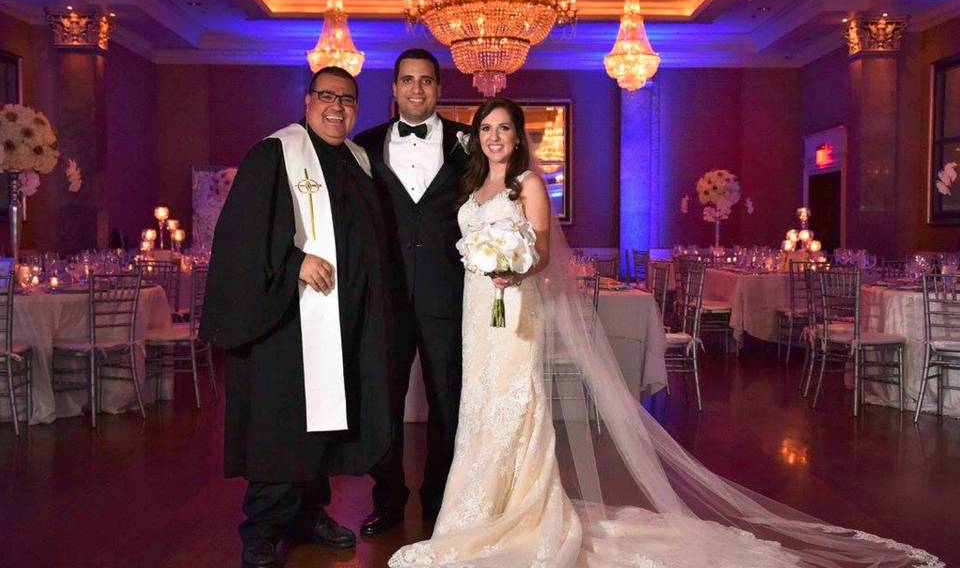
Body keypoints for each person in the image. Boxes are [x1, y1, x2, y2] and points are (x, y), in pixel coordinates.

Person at [389, 97, 941, 567]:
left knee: (515, 405)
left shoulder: (528, 184)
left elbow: (540, 251)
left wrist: (515, 269)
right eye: (485, 129)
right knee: (477, 407)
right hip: (475, 312)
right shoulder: (471, 187)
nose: (494, 137)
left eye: (504, 128)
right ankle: (475, 510)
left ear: (519, 137)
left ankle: (520, 513)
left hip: (515, 313)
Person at [199, 66, 393, 568]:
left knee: (322, 431)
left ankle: (308, 514)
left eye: (348, 99)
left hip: (340, 321)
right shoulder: (273, 154)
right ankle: (261, 530)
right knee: (282, 429)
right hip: (286, 322)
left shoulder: (357, 161)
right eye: (327, 96)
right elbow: (243, 239)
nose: (337, 107)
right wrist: (294, 263)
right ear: (307, 101)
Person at [353, 49, 472, 535]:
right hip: (385, 297)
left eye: (426, 81)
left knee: (449, 402)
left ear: (439, 89)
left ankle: (441, 498)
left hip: (449, 295)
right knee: (382, 401)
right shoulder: (364, 145)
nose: (416, 90)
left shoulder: (469, 145)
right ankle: (388, 498)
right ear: (394, 88)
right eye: (407, 81)